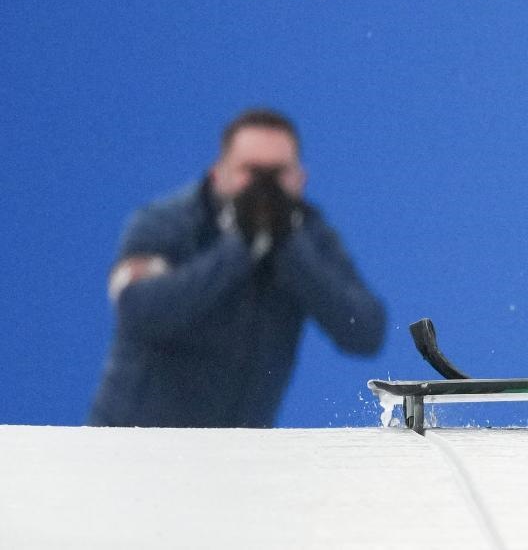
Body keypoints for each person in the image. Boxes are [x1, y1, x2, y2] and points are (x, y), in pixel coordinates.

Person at [89, 108, 387, 427]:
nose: (265, 187)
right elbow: (138, 311)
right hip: (133, 441)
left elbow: (365, 331)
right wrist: (240, 247)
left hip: (240, 449)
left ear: (300, 179)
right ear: (218, 174)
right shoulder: (167, 224)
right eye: (252, 172)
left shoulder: (308, 237)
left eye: (277, 173)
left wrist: (287, 247)